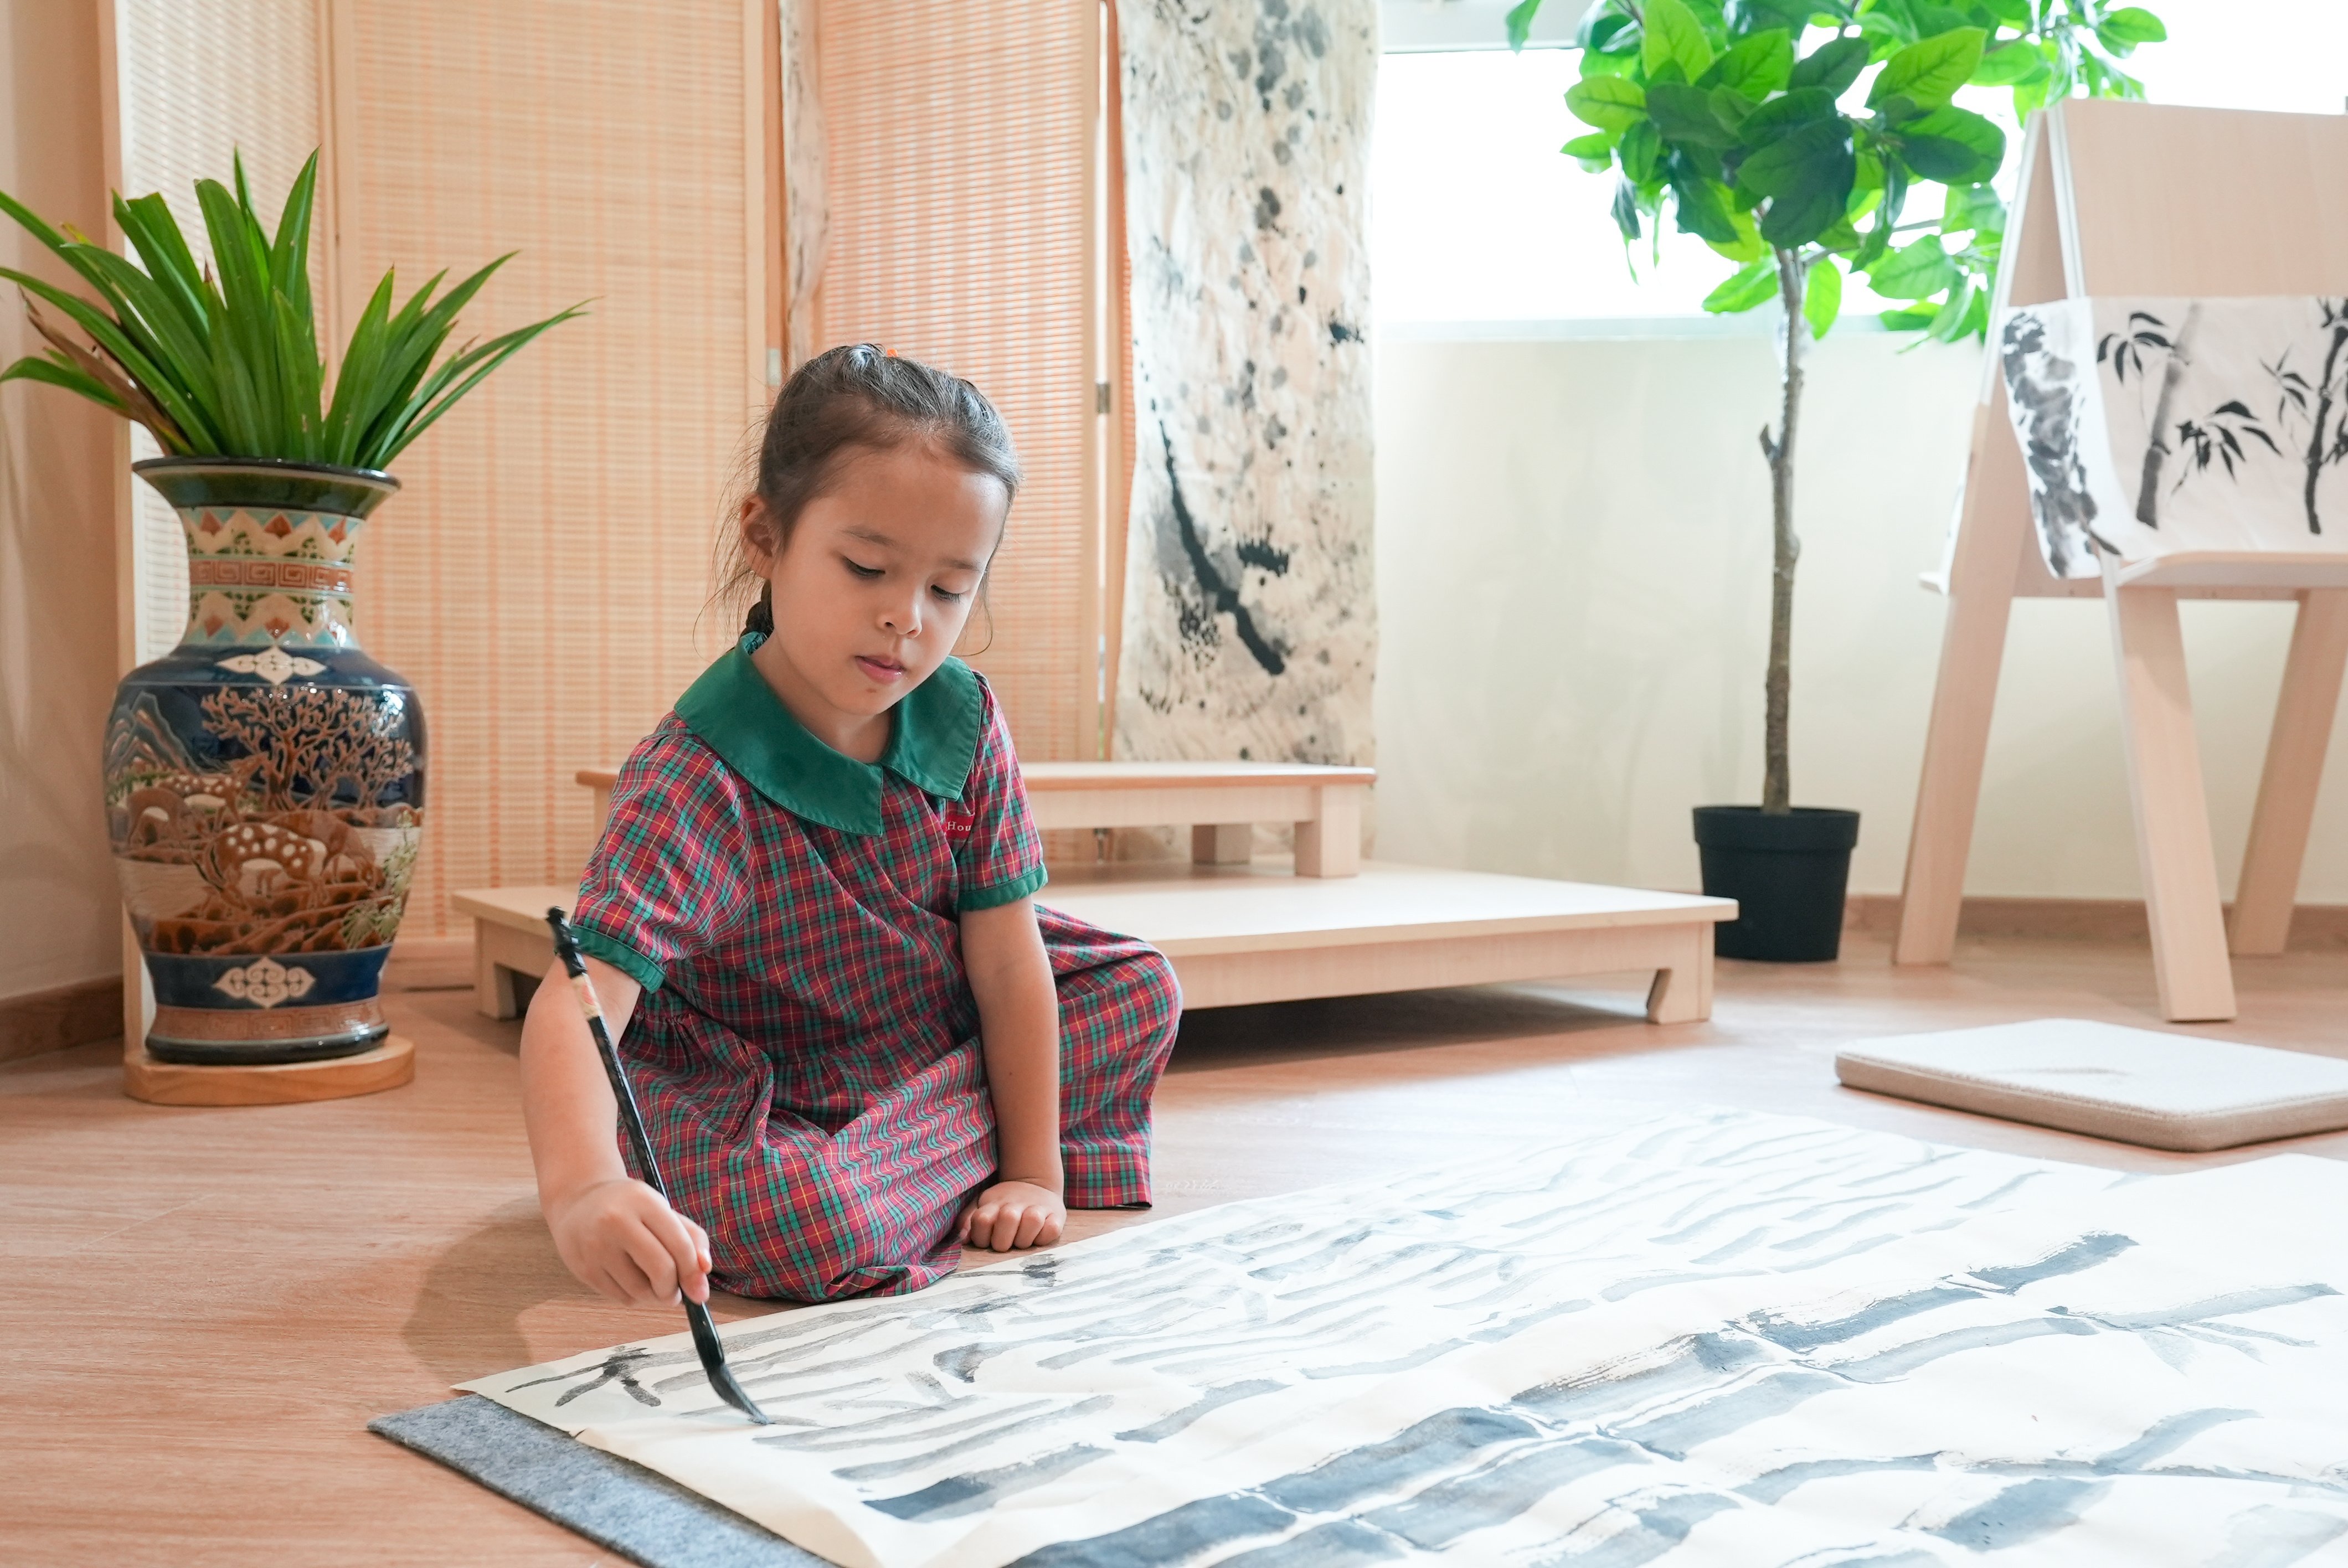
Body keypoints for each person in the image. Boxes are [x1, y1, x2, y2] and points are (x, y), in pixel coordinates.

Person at [518, 344, 1181, 1307]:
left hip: (920, 1039)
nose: (906, 618)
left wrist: (1035, 1173)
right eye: (867, 567)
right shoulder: (694, 775)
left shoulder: (966, 718)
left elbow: (1005, 960)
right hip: (759, 1088)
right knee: (807, 1219)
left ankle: (943, 1152)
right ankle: (933, 1154)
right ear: (766, 537)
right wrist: (581, 1189)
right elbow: (582, 999)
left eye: (951, 590)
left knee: (1136, 987)